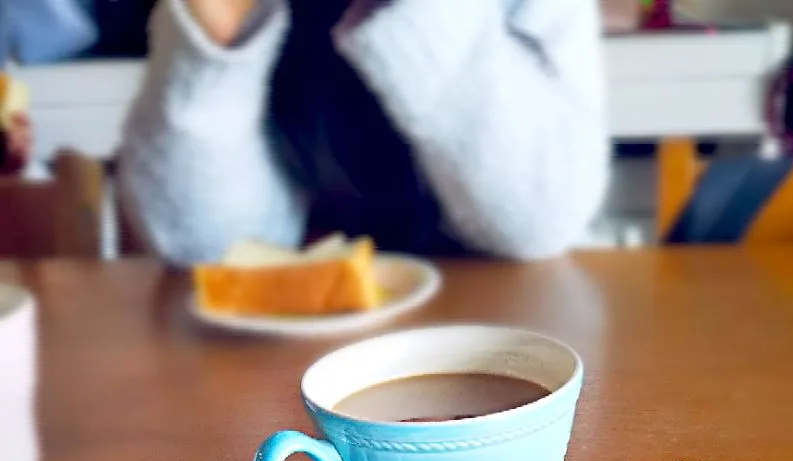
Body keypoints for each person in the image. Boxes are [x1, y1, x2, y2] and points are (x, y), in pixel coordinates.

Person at [118, 0, 608, 265]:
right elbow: (211, 252)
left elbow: (539, 222)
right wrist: (219, 41)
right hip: (297, 359)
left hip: (519, 333)